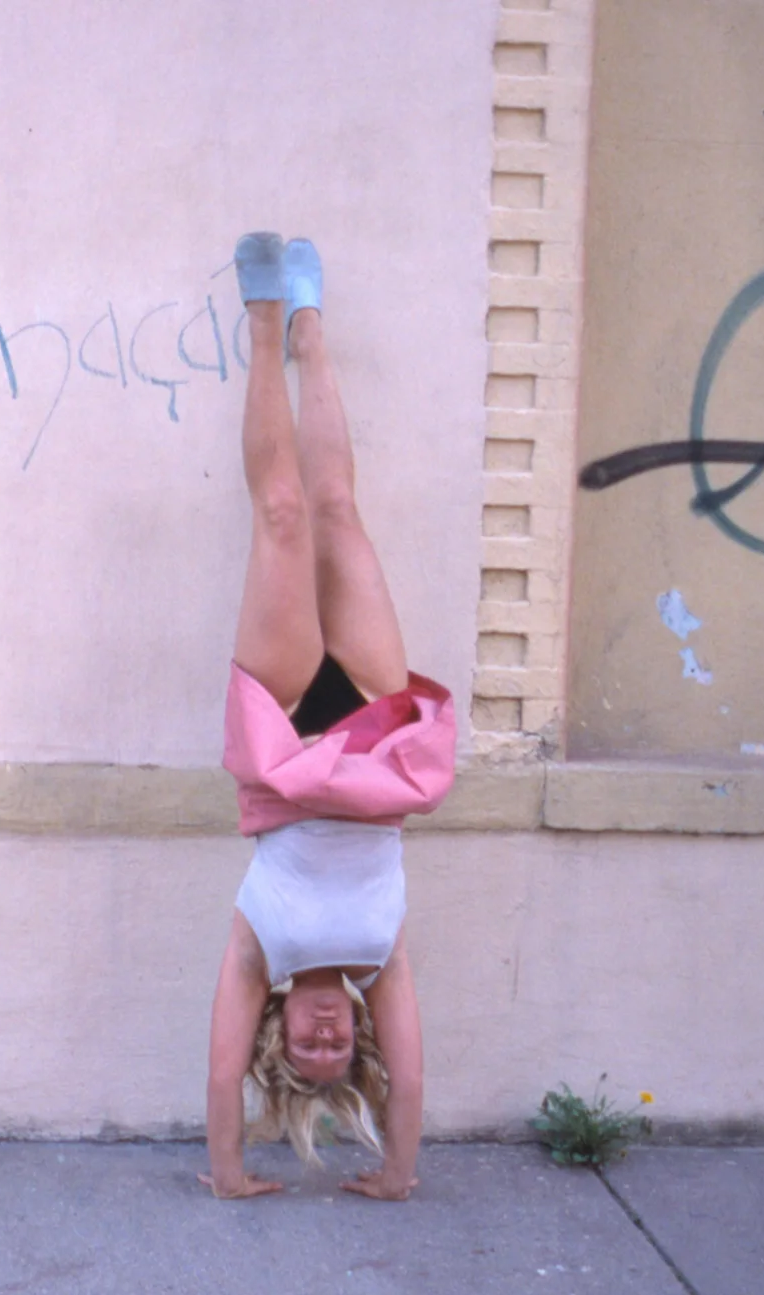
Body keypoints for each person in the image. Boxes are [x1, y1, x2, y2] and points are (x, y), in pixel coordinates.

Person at [200, 233, 457, 1203]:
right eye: (336, 1049)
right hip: (377, 737)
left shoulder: (257, 950)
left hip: (288, 738)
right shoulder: (377, 960)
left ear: (280, 1032)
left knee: (282, 515)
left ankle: (263, 319)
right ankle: (312, 322)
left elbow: (223, 1075)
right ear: (354, 1031)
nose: (322, 1040)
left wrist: (229, 1173)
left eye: (304, 1051)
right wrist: (397, 1173)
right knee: (338, 508)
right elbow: (415, 1072)